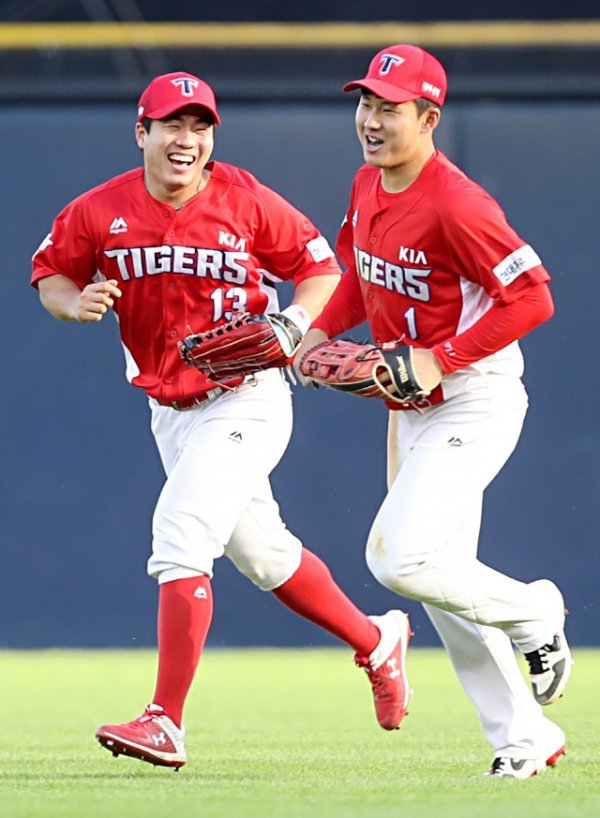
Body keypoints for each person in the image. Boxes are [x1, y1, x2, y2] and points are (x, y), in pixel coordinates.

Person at [31, 71, 412, 770]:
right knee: (264, 555)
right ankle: (377, 640)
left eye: (200, 126)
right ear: (141, 133)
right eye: (172, 125)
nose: (187, 139)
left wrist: (293, 322)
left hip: (246, 396)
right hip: (170, 410)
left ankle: (165, 720)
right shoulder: (99, 210)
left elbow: (321, 268)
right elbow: (51, 273)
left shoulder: (244, 198)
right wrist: (72, 303)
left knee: (180, 533)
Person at [296, 44, 572, 779]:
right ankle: (523, 739)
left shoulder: (457, 204)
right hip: (413, 406)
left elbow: (534, 298)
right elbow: (360, 280)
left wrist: (442, 358)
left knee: (398, 558)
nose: (371, 120)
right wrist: (317, 331)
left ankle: (536, 612)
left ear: (428, 118)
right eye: (366, 103)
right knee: (442, 584)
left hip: (474, 396)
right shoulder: (366, 182)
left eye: (389, 108)